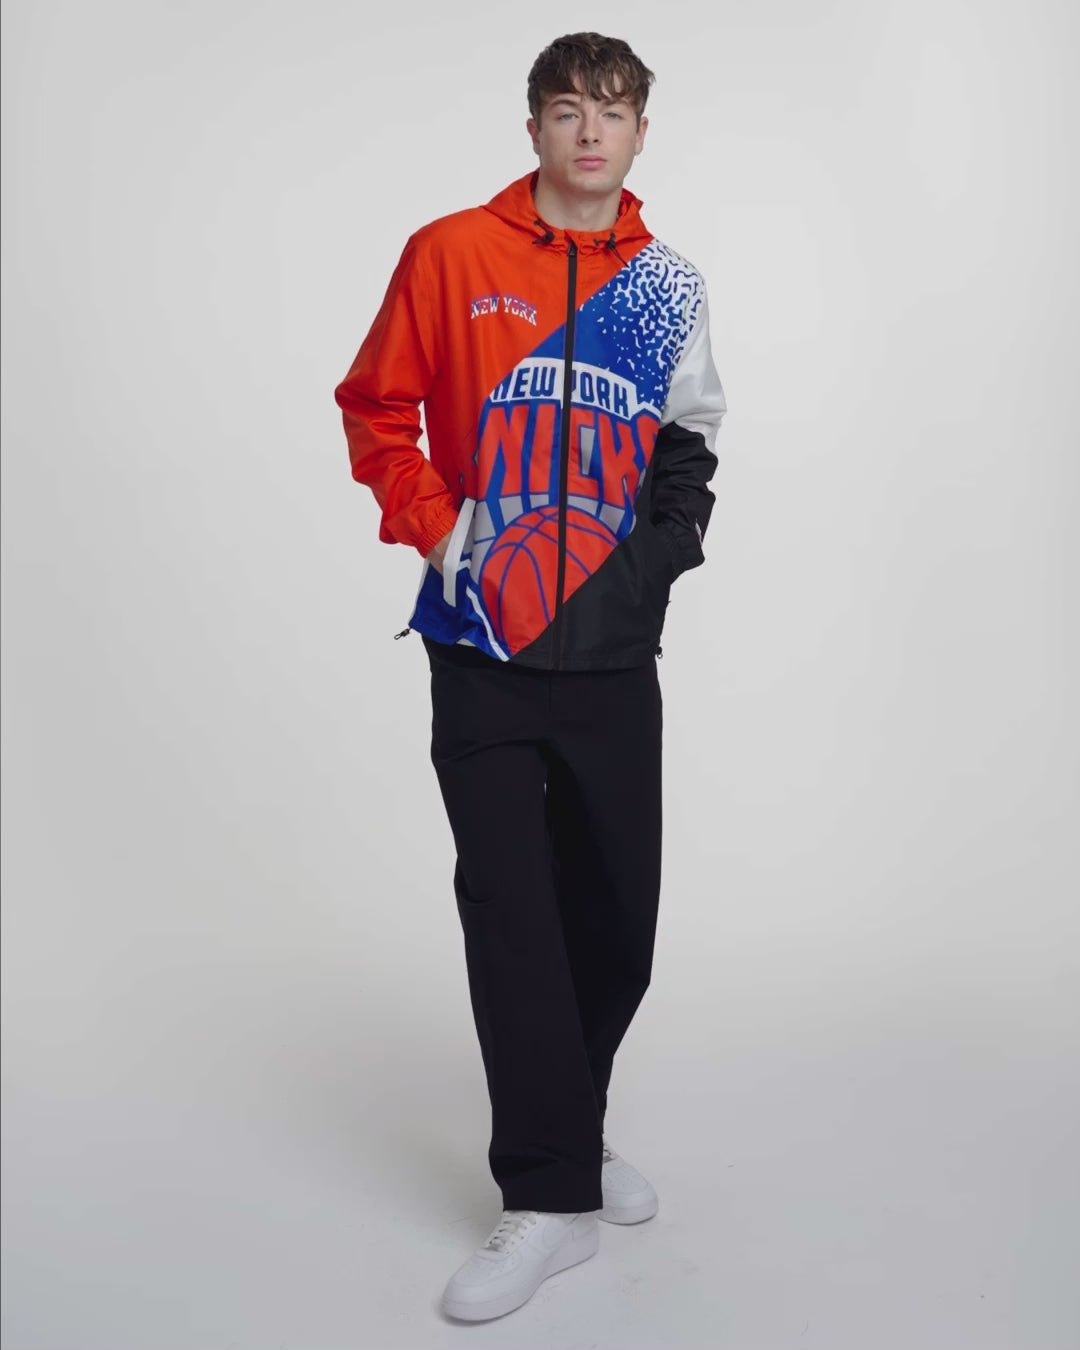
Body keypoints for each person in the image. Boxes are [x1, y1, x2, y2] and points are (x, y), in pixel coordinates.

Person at [333, 31, 727, 1322]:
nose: (590, 133)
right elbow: (375, 407)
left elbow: (690, 441)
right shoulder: (450, 253)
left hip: (610, 650)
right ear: (535, 128)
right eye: (567, 110)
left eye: (612, 112)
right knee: (512, 912)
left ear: (642, 133)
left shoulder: (666, 284)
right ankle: (546, 1195)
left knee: (616, 917)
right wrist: (441, 529)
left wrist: (653, 564)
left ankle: (570, 1122)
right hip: (480, 647)